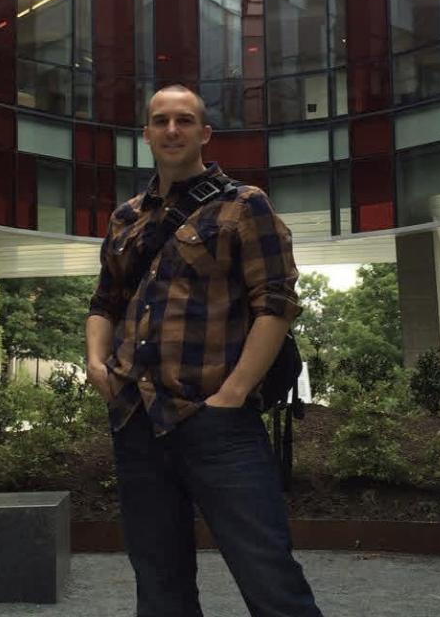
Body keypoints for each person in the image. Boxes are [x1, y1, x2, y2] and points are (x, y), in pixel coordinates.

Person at [85, 85, 322, 617]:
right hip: (137, 419)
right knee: (159, 581)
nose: (172, 130)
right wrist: (96, 364)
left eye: (185, 121)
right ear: (145, 134)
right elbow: (105, 301)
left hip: (217, 422)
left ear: (204, 133)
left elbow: (277, 303)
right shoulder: (126, 218)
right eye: (161, 121)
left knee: (269, 576)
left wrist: (233, 393)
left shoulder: (243, 205)